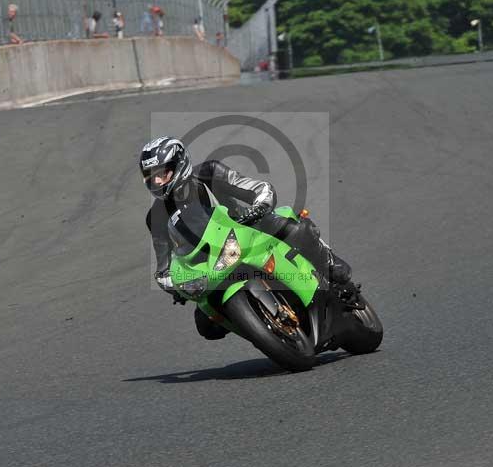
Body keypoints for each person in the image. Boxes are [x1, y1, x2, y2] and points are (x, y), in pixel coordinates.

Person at [140, 137, 360, 341]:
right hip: (210, 266)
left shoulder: (209, 173)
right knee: (206, 326)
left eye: (162, 173)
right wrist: (177, 286)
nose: (157, 181)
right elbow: (163, 270)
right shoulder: (156, 217)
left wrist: (259, 206)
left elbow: (259, 188)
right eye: (151, 177)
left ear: (179, 165)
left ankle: (329, 264)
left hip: (248, 230)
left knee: (290, 227)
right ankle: (263, 326)